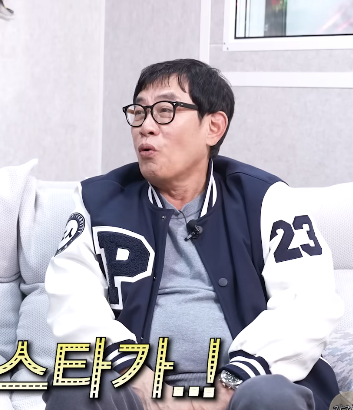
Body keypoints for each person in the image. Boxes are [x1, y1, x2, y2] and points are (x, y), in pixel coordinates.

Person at [42, 58, 342, 410]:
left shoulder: (266, 199)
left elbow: (308, 305)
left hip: (243, 393)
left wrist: (230, 385)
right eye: (138, 112)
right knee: (79, 382)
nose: (146, 127)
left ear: (213, 126)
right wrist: (138, 379)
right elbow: (73, 302)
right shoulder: (97, 202)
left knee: (271, 396)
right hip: (139, 394)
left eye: (165, 111)